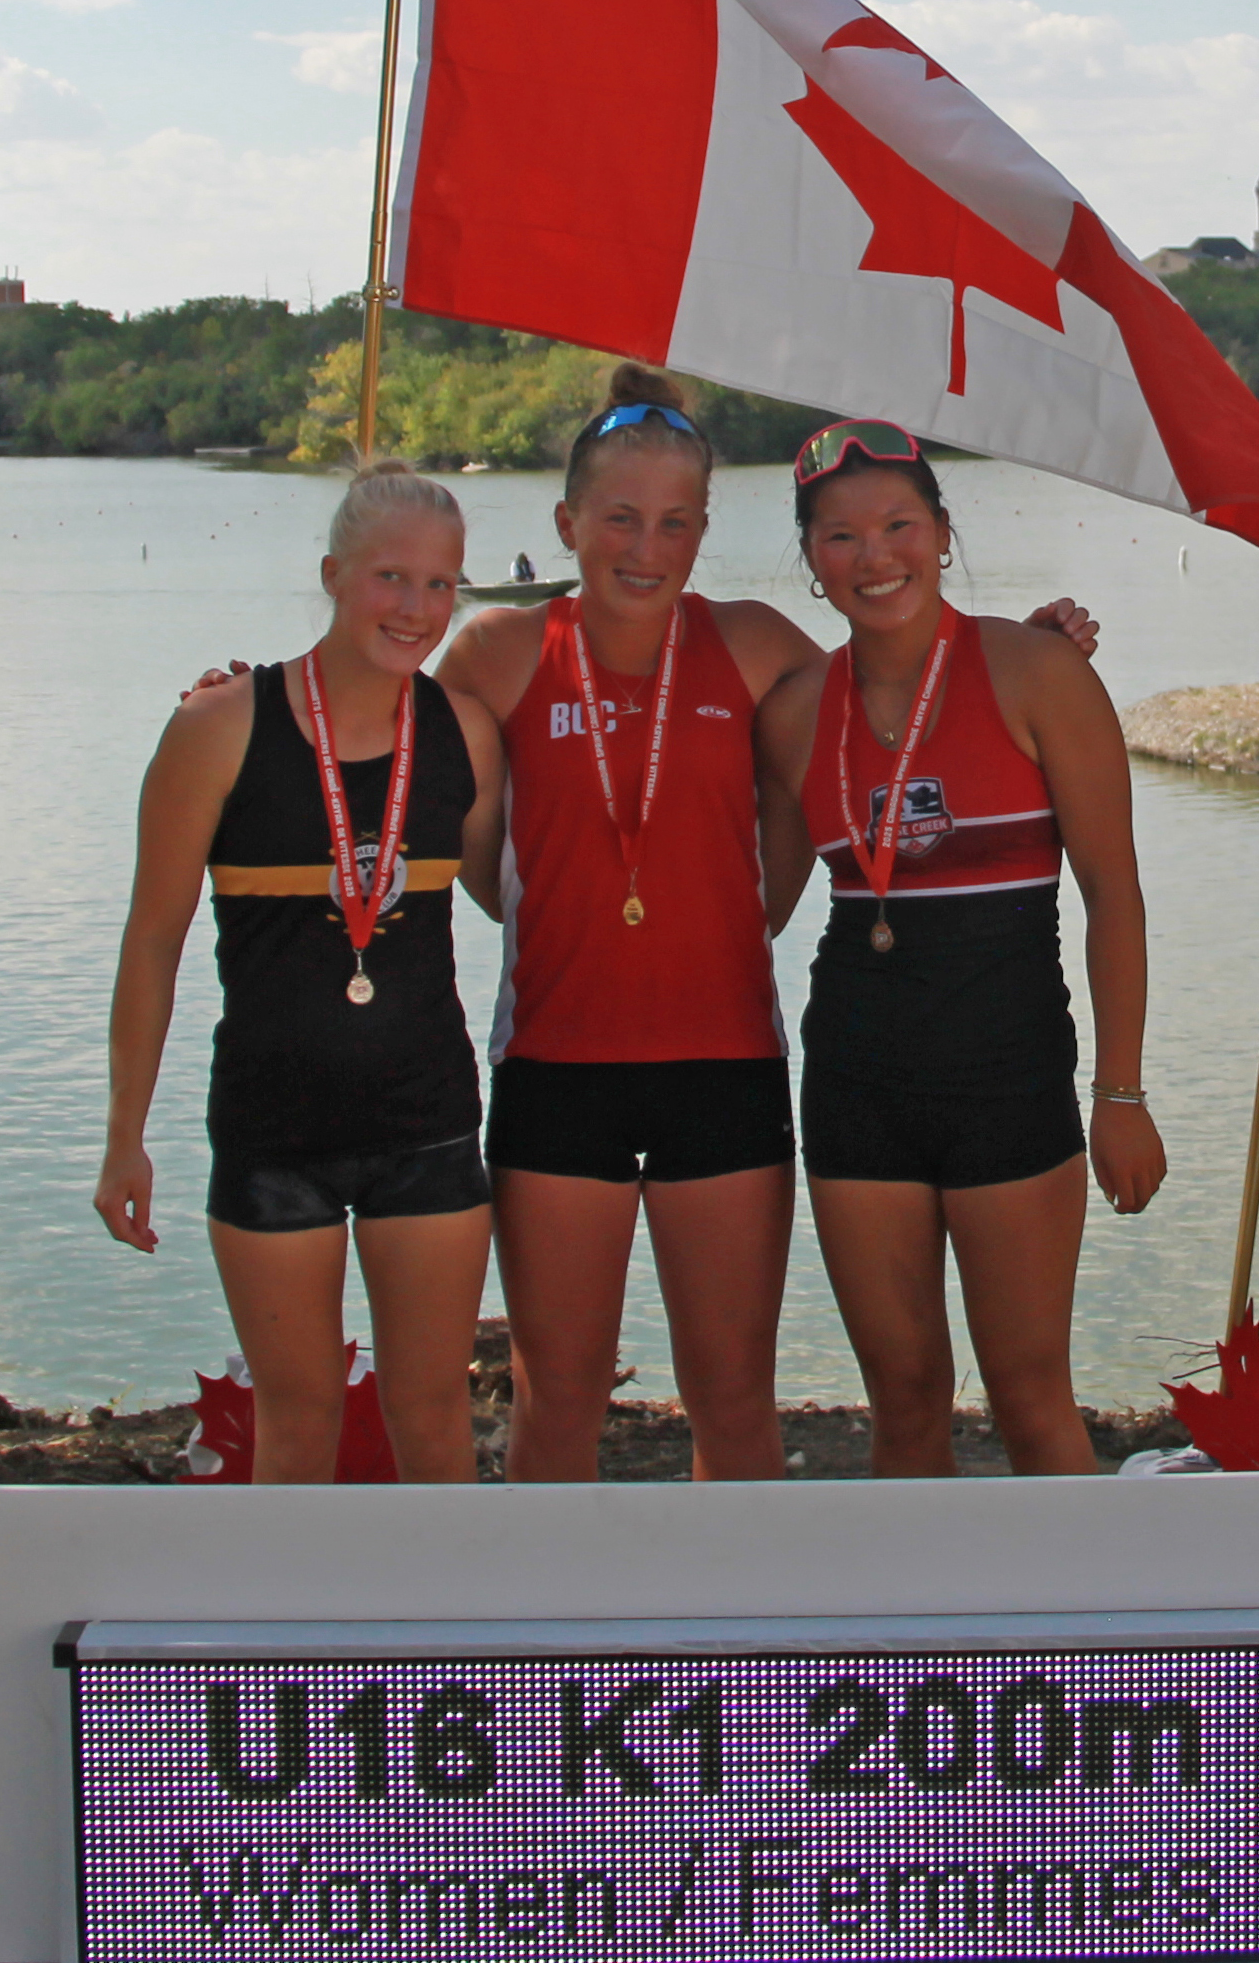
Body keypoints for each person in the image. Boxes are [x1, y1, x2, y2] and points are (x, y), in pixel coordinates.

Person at [439, 368, 1103, 1484]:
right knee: (555, 1396)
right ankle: (548, 1605)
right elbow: (429, 807)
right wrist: (242, 695)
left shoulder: (758, 650)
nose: (645, 547)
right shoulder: (492, 654)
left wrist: (1023, 649)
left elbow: (894, 688)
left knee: (733, 1402)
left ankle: (737, 1608)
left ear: (705, 531)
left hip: (724, 1065)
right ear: (565, 523)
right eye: (618, 519)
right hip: (554, 1065)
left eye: (675, 522)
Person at [755, 419, 1166, 1479]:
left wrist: (1119, 1092)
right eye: (840, 536)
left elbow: (1112, 894)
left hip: (1007, 1082)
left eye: (899, 525)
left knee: (1030, 1399)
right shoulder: (795, 712)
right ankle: (922, 1599)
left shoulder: (1036, 673)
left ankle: (1081, 1600)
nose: (874, 556)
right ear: (809, 558)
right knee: (901, 1403)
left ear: (943, 532)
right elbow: (757, 908)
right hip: (854, 1086)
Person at [92, 462, 506, 1482]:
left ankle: (447, 1600)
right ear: (331, 575)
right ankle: (292, 1598)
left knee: (432, 1416)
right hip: (272, 1132)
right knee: (296, 1417)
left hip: (427, 1123)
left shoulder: (465, 733)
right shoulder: (217, 727)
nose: (415, 608)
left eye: (440, 583)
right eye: (389, 576)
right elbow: (151, 940)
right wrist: (123, 1137)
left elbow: (512, 897)